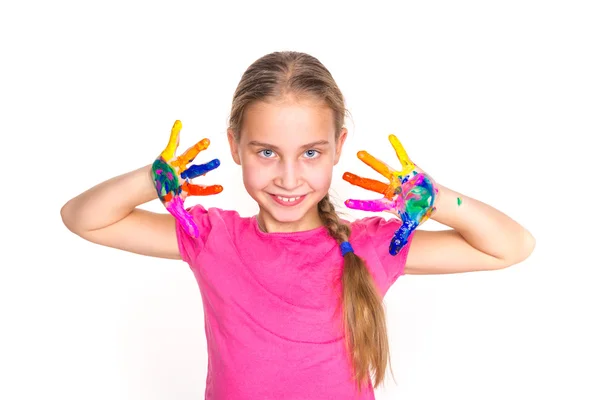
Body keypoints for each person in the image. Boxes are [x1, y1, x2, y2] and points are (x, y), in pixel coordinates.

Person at [60, 51, 535, 399]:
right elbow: (84, 219)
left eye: (311, 153)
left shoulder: (371, 246)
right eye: (266, 152)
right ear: (235, 145)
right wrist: (150, 178)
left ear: (338, 145)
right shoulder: (211, 237)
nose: (288, 177)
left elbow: (511, 247)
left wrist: (439, 202)